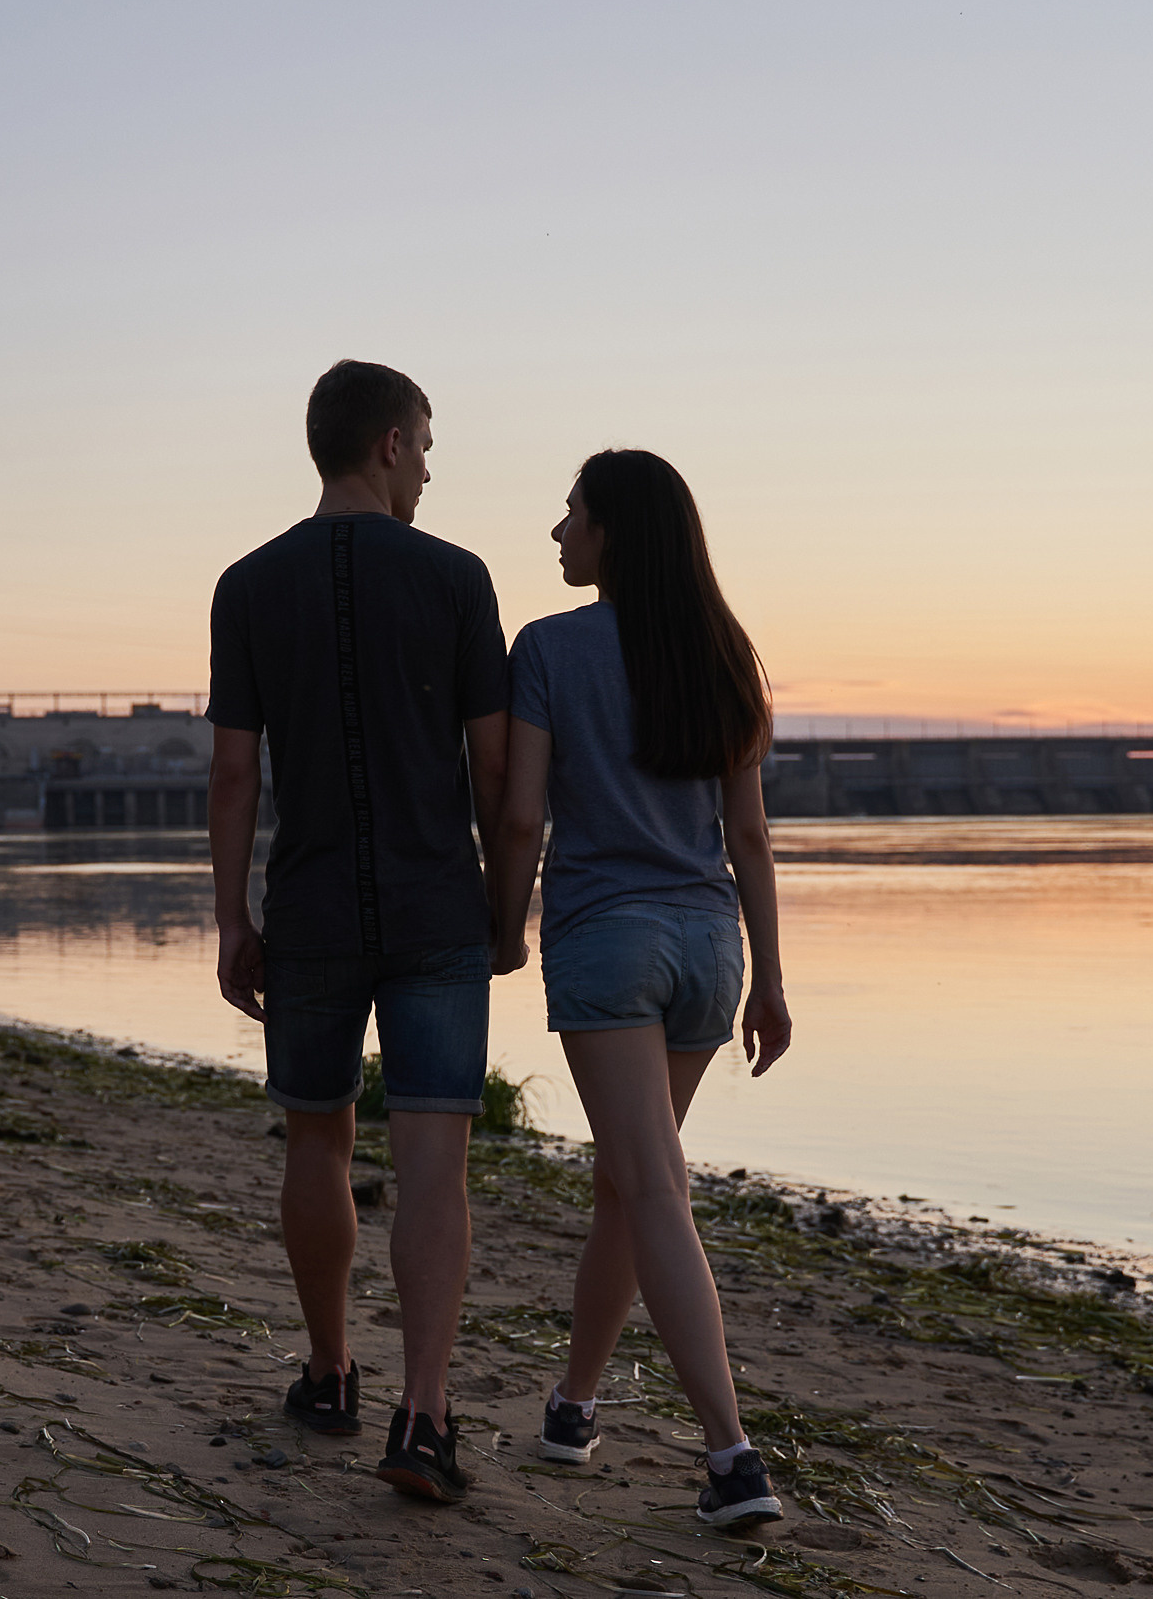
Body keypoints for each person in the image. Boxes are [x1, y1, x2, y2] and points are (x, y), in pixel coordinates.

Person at [207, 360, 511, 1503]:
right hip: (437, 908)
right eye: (425, 446)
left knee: (316, 1140)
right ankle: (423, 1418)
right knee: (436, 1157)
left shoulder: (246, 585)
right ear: (387, 442)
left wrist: (232, 916)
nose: (429, 468)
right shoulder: (456, 580)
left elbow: (235, 772)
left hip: (316, 906)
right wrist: (504, 900)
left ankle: (331, 1372)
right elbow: (494, 765)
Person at [486, 448, 793, 1528]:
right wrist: (772, 983)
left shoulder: (548, 649)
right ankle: (572, 1405)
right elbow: (747, 835)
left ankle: (730, 1459)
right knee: (629, 1181)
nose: (558, 534)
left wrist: (502, 926)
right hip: (711, 949)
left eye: (570, 516)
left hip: (607, 943)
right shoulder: (721, 650)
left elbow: (521, 816)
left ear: (613, 531)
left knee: (651, 1186)